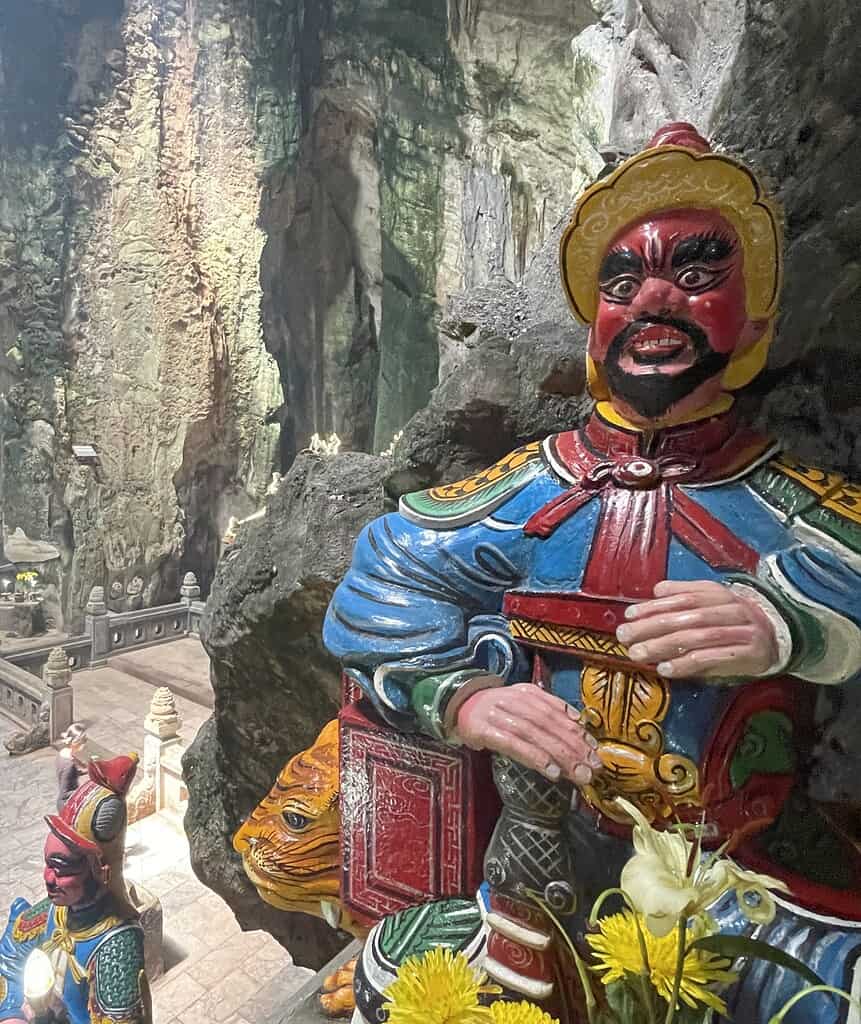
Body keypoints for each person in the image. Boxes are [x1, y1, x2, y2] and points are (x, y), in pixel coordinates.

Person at [324, 123, 861, 1022]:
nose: (653, 299)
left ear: (756, 321)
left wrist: (791, 622)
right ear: (594, 329)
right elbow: (386, 568)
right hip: (542, 873)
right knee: (395, 971)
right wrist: (463, 699)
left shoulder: (787, 499)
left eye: (695, 276)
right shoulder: (534, 488)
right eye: (621, 283)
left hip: (737, 887)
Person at [0, 754, 149, 1024]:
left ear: (99, 872)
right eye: (48, 864)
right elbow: (9, 954)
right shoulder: (54, 913)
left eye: (62, 868)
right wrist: (11, 1014)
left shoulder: (116, 946)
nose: (48, 878)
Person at [55, 725, 87, 812]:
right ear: (75, 742)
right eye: (83, 741)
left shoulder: (62, 753)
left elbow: (70, 774)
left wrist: (86, 770)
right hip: (68, 805)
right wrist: (83, 791)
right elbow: (64, 793)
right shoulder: (70, 765)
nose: (84, 743)